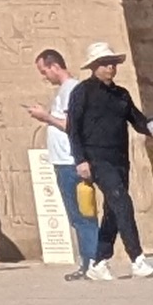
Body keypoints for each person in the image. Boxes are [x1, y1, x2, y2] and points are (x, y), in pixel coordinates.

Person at [64, 43, 153, 282]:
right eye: (105, 64)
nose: (110, 68)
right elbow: (73, 129)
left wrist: (151, 127)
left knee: (113, 211)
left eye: (113, 63)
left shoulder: (121, 94)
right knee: (122, 202)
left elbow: (137, 120)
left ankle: (99, 262)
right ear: (94, 67)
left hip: (120, 159)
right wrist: (80, 160)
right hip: (96, 159)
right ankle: (137, 258)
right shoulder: (82, 92)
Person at [27, 47, 95, 277]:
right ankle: (88, 262)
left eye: (44, 71)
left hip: (70, 161)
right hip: (64, 161)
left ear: (55, 66)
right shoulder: (65, 91)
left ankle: (92, 262)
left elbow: (72, 126)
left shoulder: (72, 89)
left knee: (82, 215)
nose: (44, 77)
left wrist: (45, 116)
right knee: (77, 216)